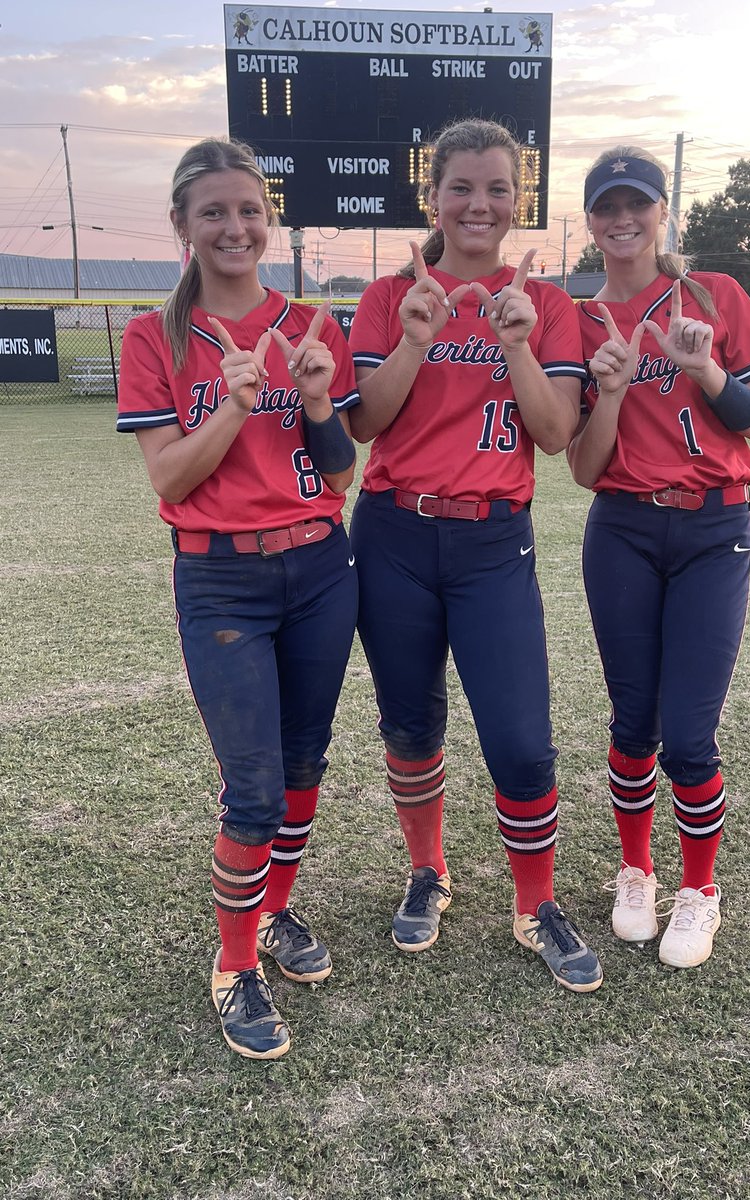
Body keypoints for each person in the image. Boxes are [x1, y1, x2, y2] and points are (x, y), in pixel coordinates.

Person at [116, 138, 359, 1058]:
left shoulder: (309, 324)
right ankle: (233, 966)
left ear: (271, 221)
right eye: (213, 211)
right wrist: (229, 404)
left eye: (249, 210)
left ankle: (274, 914)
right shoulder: (157, 337)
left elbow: (339, 466)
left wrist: (318, 404)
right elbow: (171, 482)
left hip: (321, 567)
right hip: (221, 575)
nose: (235, 226)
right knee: (252, 789)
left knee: (303, 766)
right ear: (182, 225)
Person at [347, 118, 602, 993]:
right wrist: (418, 335)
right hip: (395, 533)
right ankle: (428, 871)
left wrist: (519, 342)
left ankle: (536, 904)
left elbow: (558, 433)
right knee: (411, 724)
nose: (479, 204)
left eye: (497, 188)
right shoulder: (390, 296)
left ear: (518, 199)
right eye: (461, 186)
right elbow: (361, 424)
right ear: (435, 196)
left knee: (522, 740)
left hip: (494, 539)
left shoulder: (547, 303)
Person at [568, 146, 750, 969]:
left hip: (712, 529)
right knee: (633, 724)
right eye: (607, 207)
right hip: (621, 525)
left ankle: (700, 889)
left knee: (689, 734)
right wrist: (614, 390)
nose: (623, 220)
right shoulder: (581, 320)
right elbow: (584, 471)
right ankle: (636, 871)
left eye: (638, 204)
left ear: (663, 213)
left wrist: (705, 368)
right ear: (590, 221)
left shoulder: (713, 296)